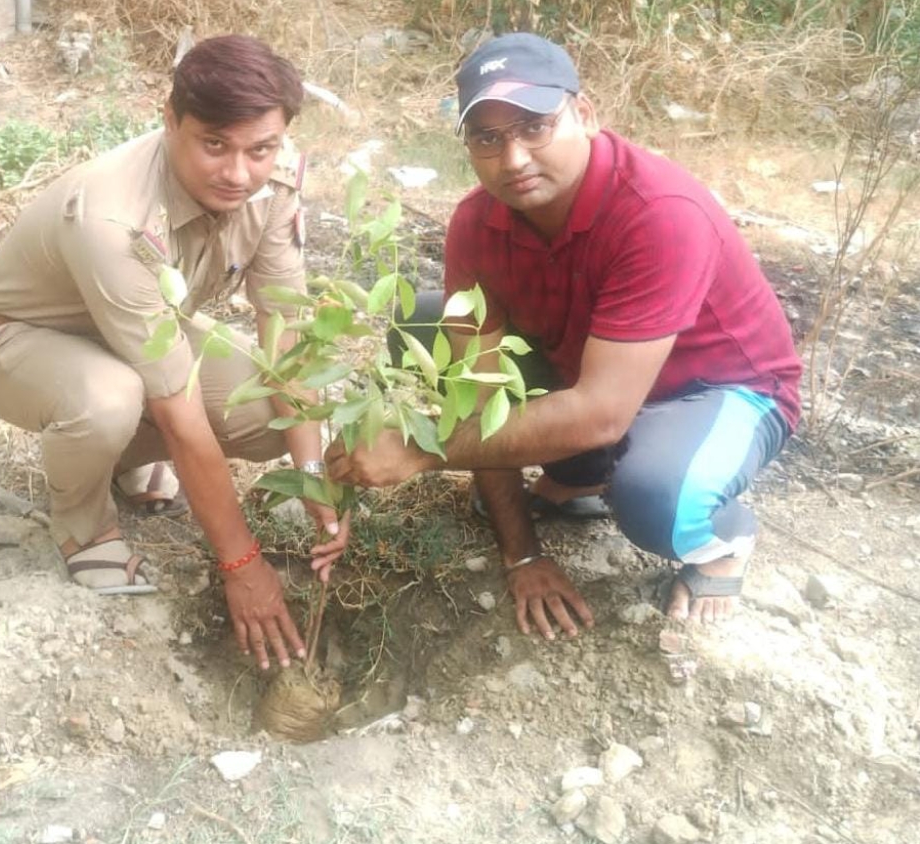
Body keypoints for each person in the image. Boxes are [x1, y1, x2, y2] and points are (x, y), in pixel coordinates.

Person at [326, 32, 801, 638]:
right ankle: (581, 475)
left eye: (534, 127)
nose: (513, 159)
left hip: (716, 390)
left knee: (657, 499)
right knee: (422, 324)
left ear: (585, 115)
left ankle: (725, 542)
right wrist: (522, 555)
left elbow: (600, 413)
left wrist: (422, 451)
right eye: (487, 138)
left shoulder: (659, 213)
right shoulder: (476, 224)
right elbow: (477, 393)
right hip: (590, 369)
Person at [0, 35, 349, 671]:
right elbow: (178, 411)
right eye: (214, 144)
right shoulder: (114, 218)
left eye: (260, 149)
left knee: (264, 410)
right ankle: (83, 526)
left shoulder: (276, 182)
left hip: (142, 330)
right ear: (169, 119)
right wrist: (242, 564)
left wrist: (313, 477)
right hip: (23, 342)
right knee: (110, 398)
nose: (238, 173)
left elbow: (287, 337)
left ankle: (116, 461)